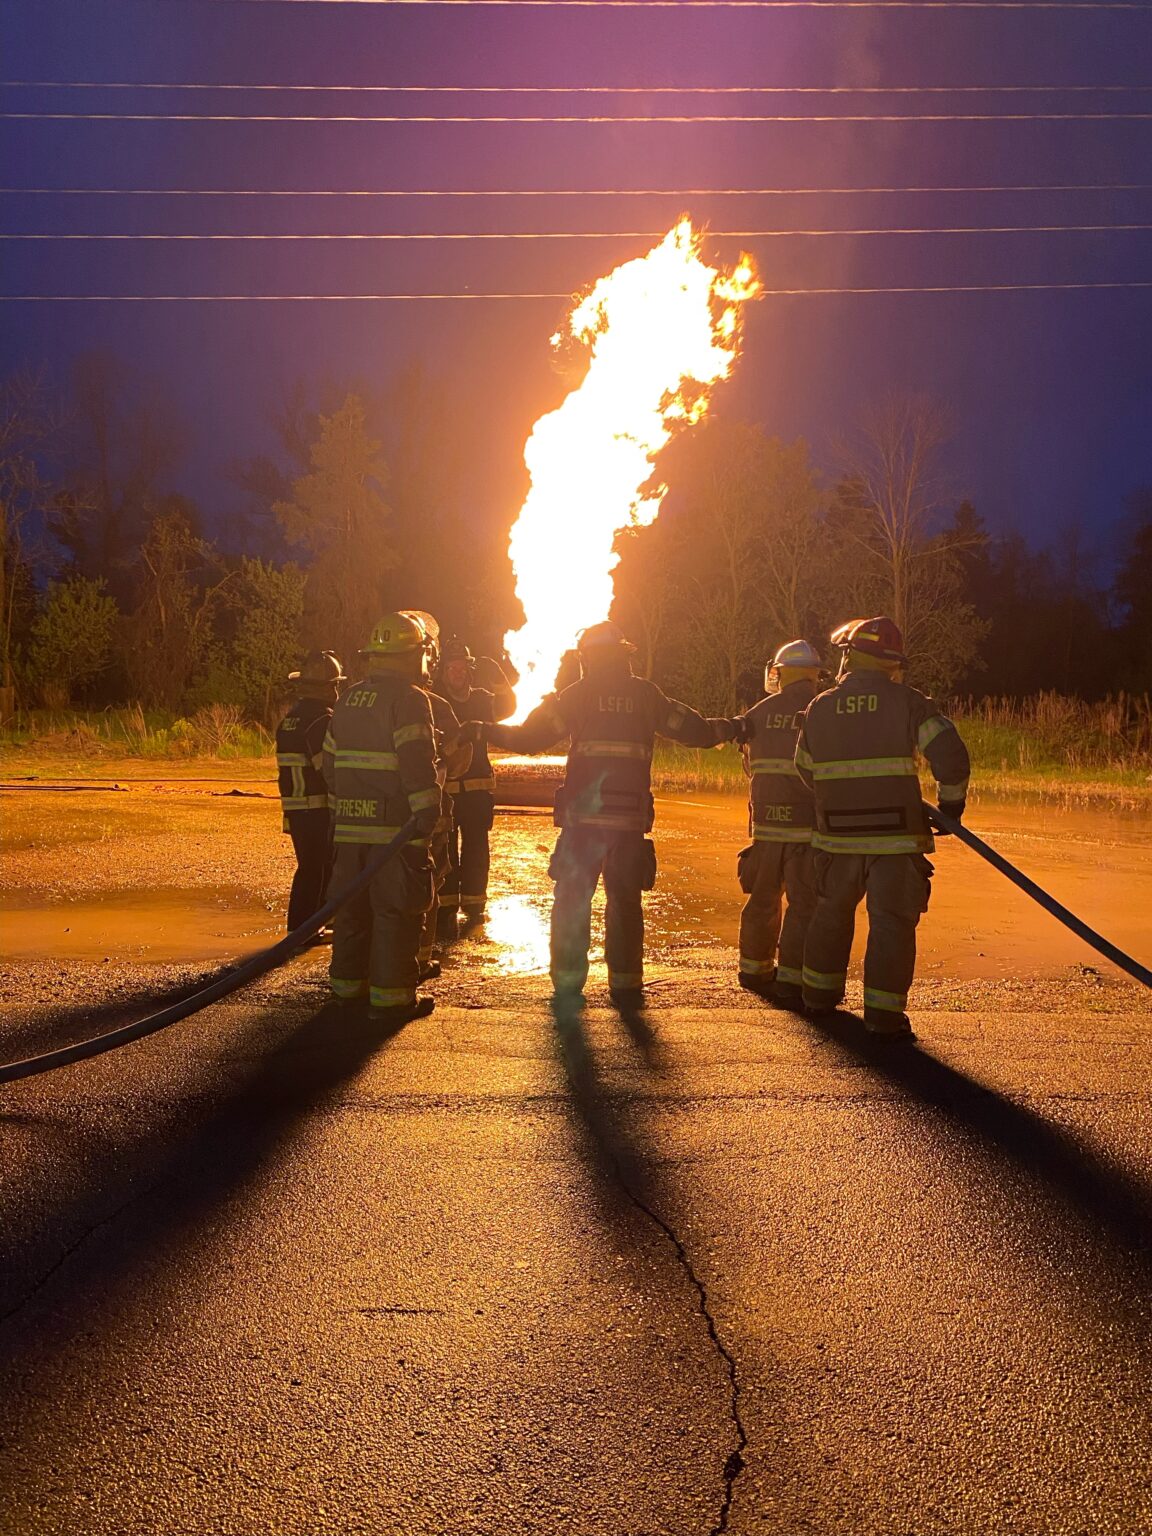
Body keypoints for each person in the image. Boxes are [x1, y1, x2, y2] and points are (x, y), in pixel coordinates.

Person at [476, 621, 739, 1009]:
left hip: (582, 825)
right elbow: (694, 730)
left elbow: (528, 738)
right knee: (626, 902)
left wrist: (482, 730)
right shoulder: (646, 695)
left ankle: (567, 984)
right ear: (625, 656)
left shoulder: (576, 696)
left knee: (571, 900)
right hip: (628, 825)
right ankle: (626, 985)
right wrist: (733, 728)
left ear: (587, 658)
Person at [795, 616, 971, 1038]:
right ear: (891, 662)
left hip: (836, 840)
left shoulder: (819, 707)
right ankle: (883, 1017)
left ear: (850, 656)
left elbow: (803, 768)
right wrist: (951, 806)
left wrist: (836, 796)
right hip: (895, 840)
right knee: (891, 923)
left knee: (830, 914)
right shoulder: (909, 703)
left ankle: (818, 999)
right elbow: (951, 756)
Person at [322, 612, 442, 1025]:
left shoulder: (348, 698)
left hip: (351, 832)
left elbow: (328, 764)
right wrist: (428, 814)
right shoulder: (410, 699)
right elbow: (416, 763)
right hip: (396, 832)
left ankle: (346, 990)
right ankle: (391, 1001)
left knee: (351, 912)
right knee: (396, 912)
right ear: (415, 655)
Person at [734, 639, 822, 1007]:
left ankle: (754, 971)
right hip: (808, 827)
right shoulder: (823, 710)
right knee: (805, 904)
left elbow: (748, 762)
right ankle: (792, 978)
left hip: (767, 825)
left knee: (762, 899)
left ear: (779, 673)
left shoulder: (758, 711)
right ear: (815, 675)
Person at [399, 612, 471, 980]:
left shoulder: (355, 701)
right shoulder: (433, 706)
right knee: (422, 888)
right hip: (425, 820)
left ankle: (366, 971)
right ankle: (417, 961)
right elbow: (458, 765)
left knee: (375, 895)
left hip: (369, 824)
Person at [436, 638, 516, 923]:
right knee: (443, 847)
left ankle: (473, 904)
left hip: (477, 790)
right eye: (451, 668)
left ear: (469, 671)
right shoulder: (432, 700)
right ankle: (444, 905)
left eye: (462, 668)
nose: (457, 673)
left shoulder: (482, 699)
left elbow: (508, 707)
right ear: (443, 671)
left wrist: (501, 678)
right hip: (443, 790)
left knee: (476, 848)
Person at [275, 650, 344, 937]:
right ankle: (303, 931)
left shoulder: (291, 719)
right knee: (314, 870)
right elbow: (327, 768)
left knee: (312, 868)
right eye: (334, 685)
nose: (338, 691)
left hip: (297, 809)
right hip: (316, 809)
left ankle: (313, 925)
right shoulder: (321, 720)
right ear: (325, 687)